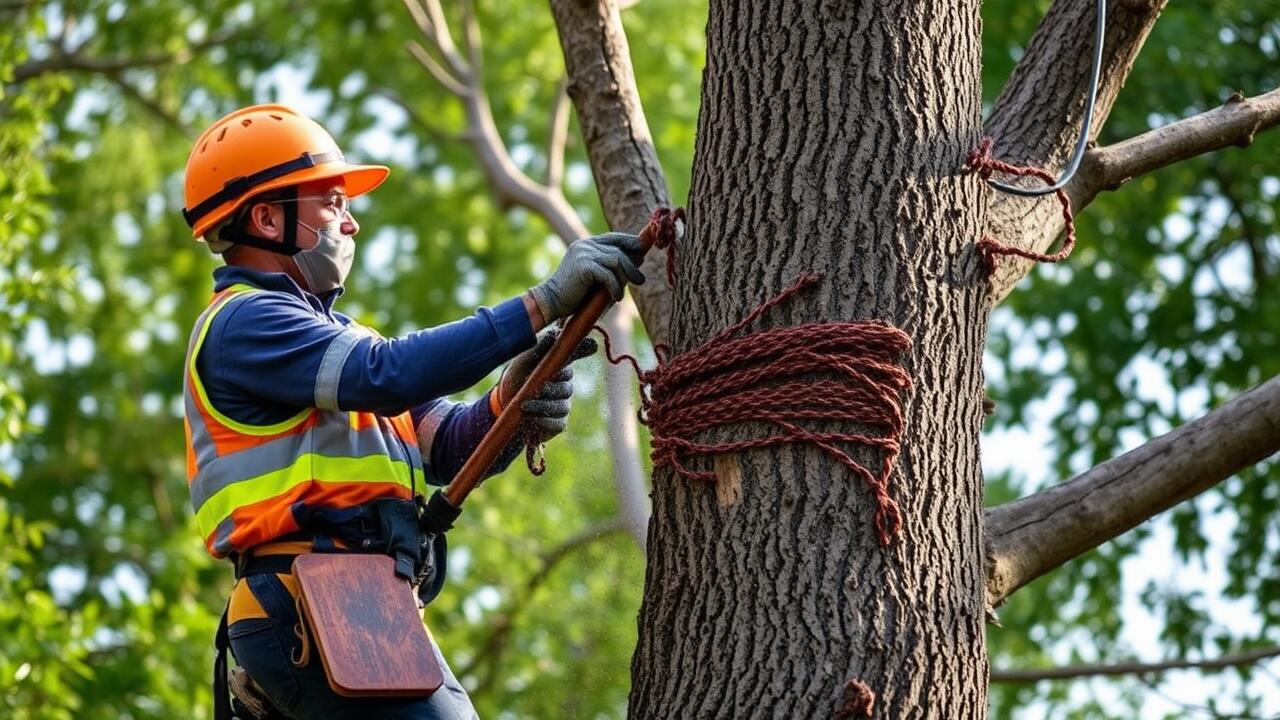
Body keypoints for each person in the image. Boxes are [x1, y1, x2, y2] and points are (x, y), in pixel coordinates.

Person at [180, 104, 645, 719]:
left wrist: (513, 404)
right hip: (313, 606)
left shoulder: (336, 341)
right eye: (331, 203)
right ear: (267, 218)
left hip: (364, 607)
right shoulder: (246, 322)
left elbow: (448, 442)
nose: (350, 225)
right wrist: (541, 304)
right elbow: (391, 371)